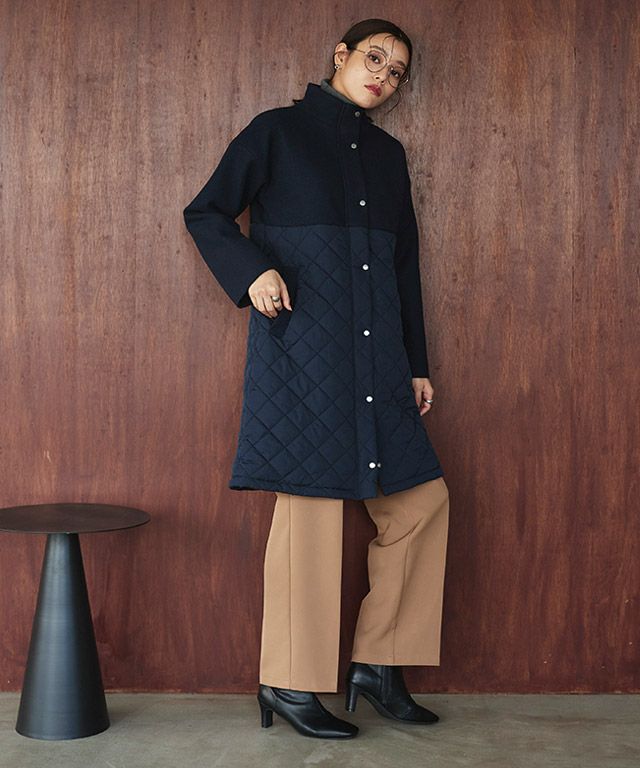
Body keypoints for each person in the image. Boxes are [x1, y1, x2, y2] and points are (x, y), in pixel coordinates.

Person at [183, 18, 450, 740]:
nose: (384, 77)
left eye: (397, 72)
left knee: (421, 503)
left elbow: (403, 267)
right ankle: (289, 681)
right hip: (304, 354)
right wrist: (253, 272)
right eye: (375, 58)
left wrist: (416, 363)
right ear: (341, 55)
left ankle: (380, 664)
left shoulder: (389, 157)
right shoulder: (275, 132)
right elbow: (205, 212)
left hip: (379, 362)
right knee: (312, 511)